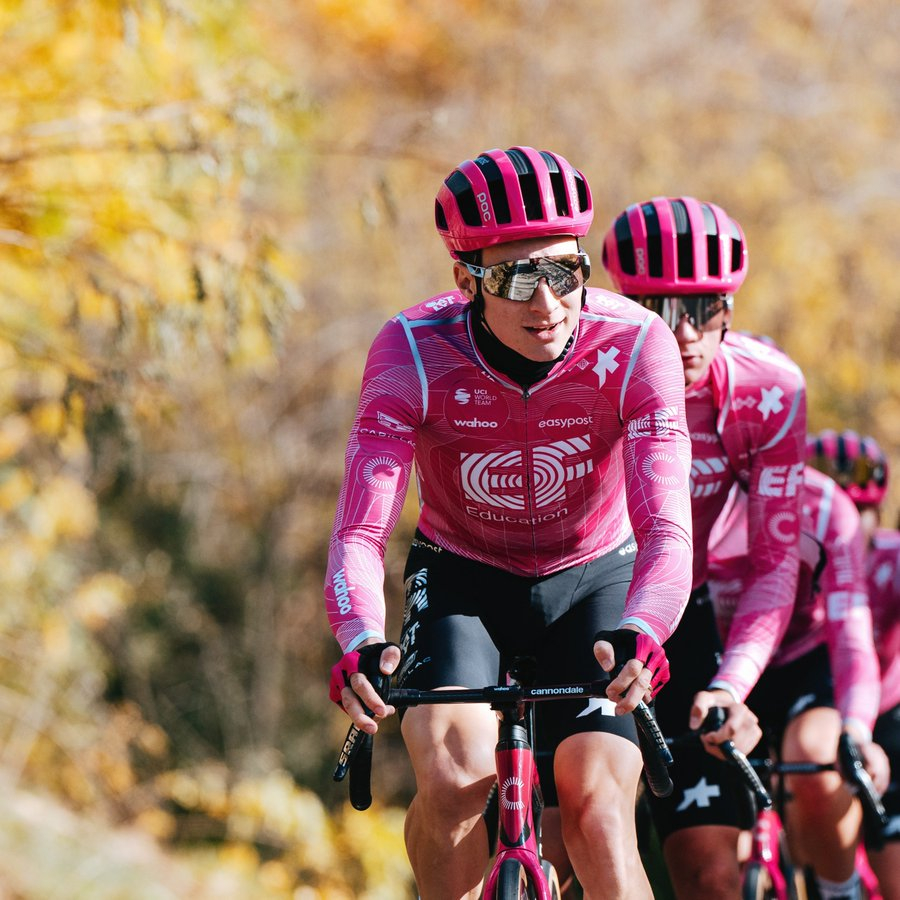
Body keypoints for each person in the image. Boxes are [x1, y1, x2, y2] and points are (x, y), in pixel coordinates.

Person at [324, 148, 695, 900]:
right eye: (517, 278)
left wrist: (646, 628)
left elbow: (666, 529)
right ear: (466, 281)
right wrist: (360, 637)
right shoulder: (411, 351)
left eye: (565, 271)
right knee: (453, 783)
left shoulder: (635, 344)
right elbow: (361, 532)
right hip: (462, 577)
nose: (548, 302)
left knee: (598, 813)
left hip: (596, 576)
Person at [601, 196, 807, 899]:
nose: (684, 332)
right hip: (580, 604)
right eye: (659, 309)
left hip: (678, 616)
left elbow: (773, 568)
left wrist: (731, 685)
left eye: (704, 308)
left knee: (713, 872)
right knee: (572, 838)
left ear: (729, 308)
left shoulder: (768, 392)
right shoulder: (584, 369)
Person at [708, 465, 890, 900]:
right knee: (716, 860)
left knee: (813, 756)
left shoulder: (825, 505)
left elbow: (852, 633)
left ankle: (839, 888)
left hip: (804, 661)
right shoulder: (694, 490)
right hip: (718, 664)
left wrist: (857, 730)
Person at [808, 429, 900, 900]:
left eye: (858, 511)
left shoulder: (893, 558)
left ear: (878, 514)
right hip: (817, 708)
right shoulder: (798, 560)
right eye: (833, 508)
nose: (842, 523)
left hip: (887, 713)